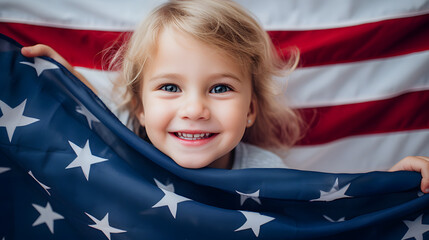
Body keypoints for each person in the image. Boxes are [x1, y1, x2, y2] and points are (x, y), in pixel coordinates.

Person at [21, 0, 429, 192]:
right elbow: (93, 116)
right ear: (140, 109)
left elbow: (327, 216)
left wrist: (392, 187)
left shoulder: (270, 175)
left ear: (250, 110)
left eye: (220, 89)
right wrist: (60, 77)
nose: (195, 109)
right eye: (169, 87)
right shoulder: (119, 150)